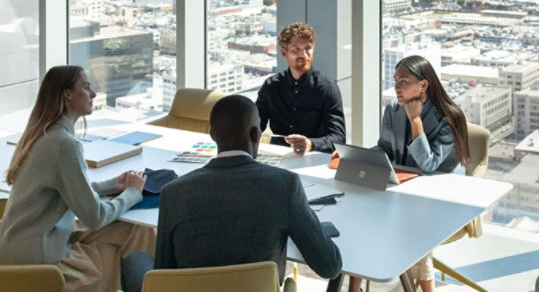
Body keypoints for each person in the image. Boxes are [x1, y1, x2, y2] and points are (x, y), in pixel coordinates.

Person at [121, 95, 342, 292]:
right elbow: (330, 266)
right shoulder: (285, 185)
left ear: (212, 135)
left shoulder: (174, 193)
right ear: (255, 134)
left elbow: (164, 276)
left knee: (136, 261)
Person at [0, 66, 156, 292]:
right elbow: (95, 216)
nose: (93, 94)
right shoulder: (65, 145)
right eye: (86, 88)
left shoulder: (42, 134)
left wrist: (114, 185)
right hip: (40, 259)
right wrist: (133, 193)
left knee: (136, 230)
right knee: (133, 235)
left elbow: (66, 191)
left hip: (18, 244)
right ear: (68, 94)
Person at [348, 55, 469, 292]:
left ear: (423, 85)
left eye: (403, 81)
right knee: (361, 216)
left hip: (440, 200)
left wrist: (415, 120)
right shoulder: (393, 110)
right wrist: (361, 157)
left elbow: (428, 164)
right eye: (395, 80)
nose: (396, 86)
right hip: (405, 191)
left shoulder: (448, 117)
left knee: (410, 226)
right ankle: (354, 288)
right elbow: (385, 148)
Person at [256, 22, 346, 155]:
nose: (303, 55)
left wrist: (311, 144)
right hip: (277, 156)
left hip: (313, 159)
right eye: (295, 50)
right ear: (283, 52)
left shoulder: (328, 88)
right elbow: (254, 127)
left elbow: (339, 138)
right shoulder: (271, 86)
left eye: (307, 48)